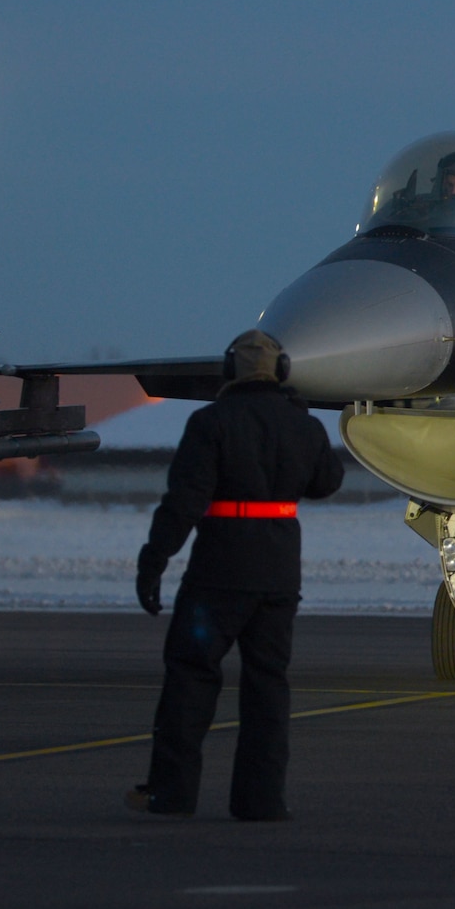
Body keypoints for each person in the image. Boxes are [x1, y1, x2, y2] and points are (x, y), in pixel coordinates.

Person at [126, 329, 343, 820]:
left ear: (229, 371)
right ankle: (261, 800)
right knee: (268, 686)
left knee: (191, 678)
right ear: (281, 370)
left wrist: (153, 561)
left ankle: (172, 793)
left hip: (217, 576)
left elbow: (183, 502)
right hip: (278, 578)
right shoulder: (303, 425)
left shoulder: (210, 422)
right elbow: (327, 482)